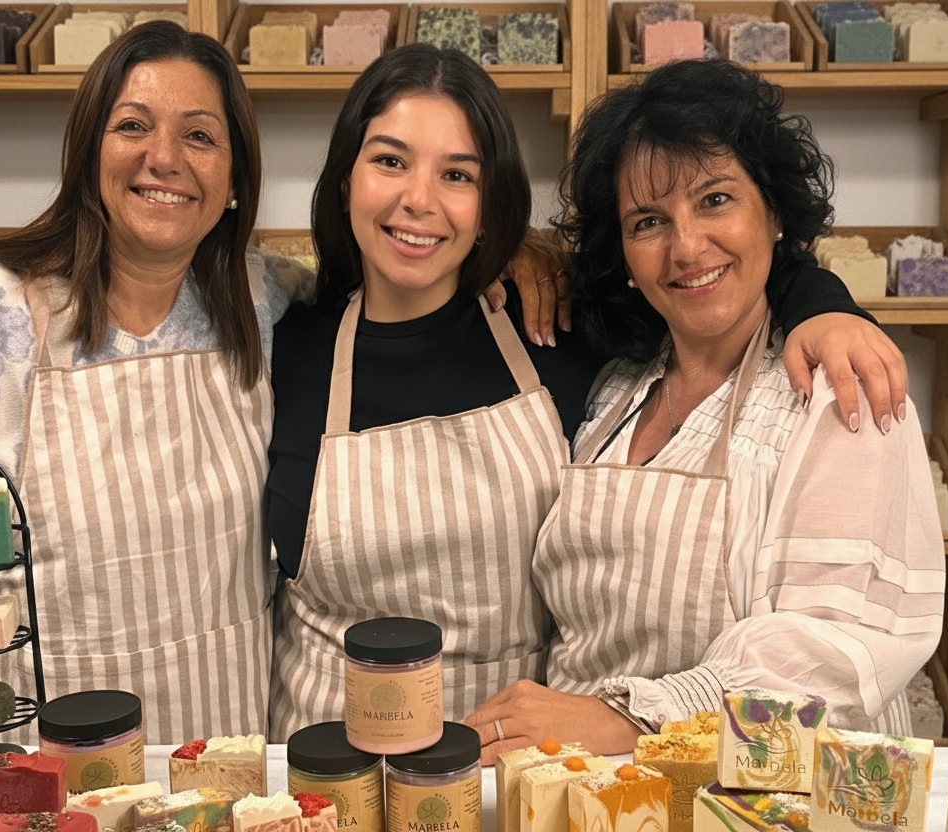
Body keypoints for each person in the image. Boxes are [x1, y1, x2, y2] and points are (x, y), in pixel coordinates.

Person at [265, 45, 912, 741]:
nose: (418, 199)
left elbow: (720, 278)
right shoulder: (281, 338)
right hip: (330, 763)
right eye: (389, 160)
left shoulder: (557, 326)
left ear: (491, 205)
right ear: (344, 181)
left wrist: (821, 302)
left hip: (528, 767)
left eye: (457, 174)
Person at [0, 21, 310, 776]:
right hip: (28, 775)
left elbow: (406, 278)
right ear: (88, 154)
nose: (165, 159)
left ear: (237, 176)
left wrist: (516, 248)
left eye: (201, 136)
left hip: (219, 765)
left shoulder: (271, 299)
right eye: (133, 126)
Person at [465, 59, 946, 763]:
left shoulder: (841, 387)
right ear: (624, 252)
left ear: (773, 212)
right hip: (592, 787)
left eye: (715, 200)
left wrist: (628, 722)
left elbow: (834, 654)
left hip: (767, 797)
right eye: (649, 221)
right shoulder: (612, 391)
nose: (686, 248)